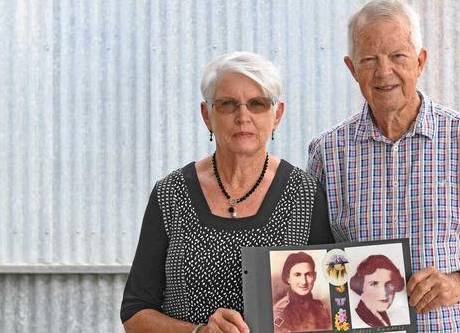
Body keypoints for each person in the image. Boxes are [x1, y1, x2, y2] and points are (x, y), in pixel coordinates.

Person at [306, 0, 460, 332]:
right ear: (352, 68)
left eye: (398, 56)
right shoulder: (328, 153)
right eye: (369, 60)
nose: (384, 72)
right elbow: (317, 260)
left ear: (420, 61)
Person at [121, 51, 335, 333]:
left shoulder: (305, 195)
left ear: (277, 114)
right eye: (227, 104)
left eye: (257, 104)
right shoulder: (170, 194)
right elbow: (135, 312)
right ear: (207, 114)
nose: (242, 116)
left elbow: (330, 310)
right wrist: (198, 332)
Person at [272, 252, 332, 332]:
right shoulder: (280, 312)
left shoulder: (321, 308)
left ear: (314, 276)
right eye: (297, 275)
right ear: (288, 278)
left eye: (308, 274)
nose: (304, 282)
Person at [349, 255, 406, 327]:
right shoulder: (360, 316)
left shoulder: (382, 316)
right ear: (361, 286)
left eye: (389, 284)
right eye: (374, 284)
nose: (383, 293)